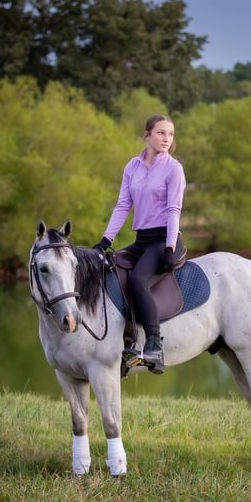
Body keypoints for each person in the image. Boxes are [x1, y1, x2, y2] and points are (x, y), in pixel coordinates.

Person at [94, 114, 186, 375]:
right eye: (161, 133)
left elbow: (173, 209)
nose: (166, 138)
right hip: (142, 239)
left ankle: (155, 347)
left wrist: (169, 244)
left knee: (137, 279)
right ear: (147, 135)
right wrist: (106, 240)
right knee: (107, 270)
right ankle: (125, 342)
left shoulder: (173, 168)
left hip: (164, 240)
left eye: (170, 134)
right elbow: (123, 205)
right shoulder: (132, 167)